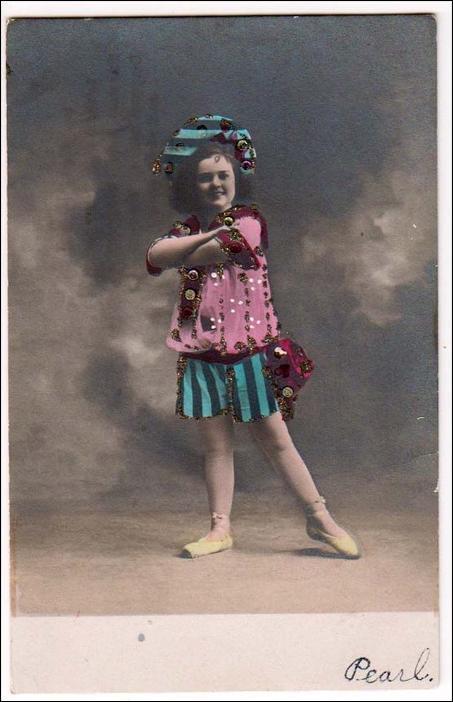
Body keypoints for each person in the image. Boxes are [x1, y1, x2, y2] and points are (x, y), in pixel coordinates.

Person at [146, 114, 360, 560]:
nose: (216, 184)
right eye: (205, 178)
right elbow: (154, 256)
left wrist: (187, 244)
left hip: (247, 352)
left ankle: (319, 517)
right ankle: (219, 528)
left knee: (275, 439)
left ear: (236, 178)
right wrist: (197, 236)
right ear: (191, 185)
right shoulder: (194, 228)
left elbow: (205, 252)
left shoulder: (248, 221)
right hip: (202, 353)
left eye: (223, 175)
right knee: (215, 447)